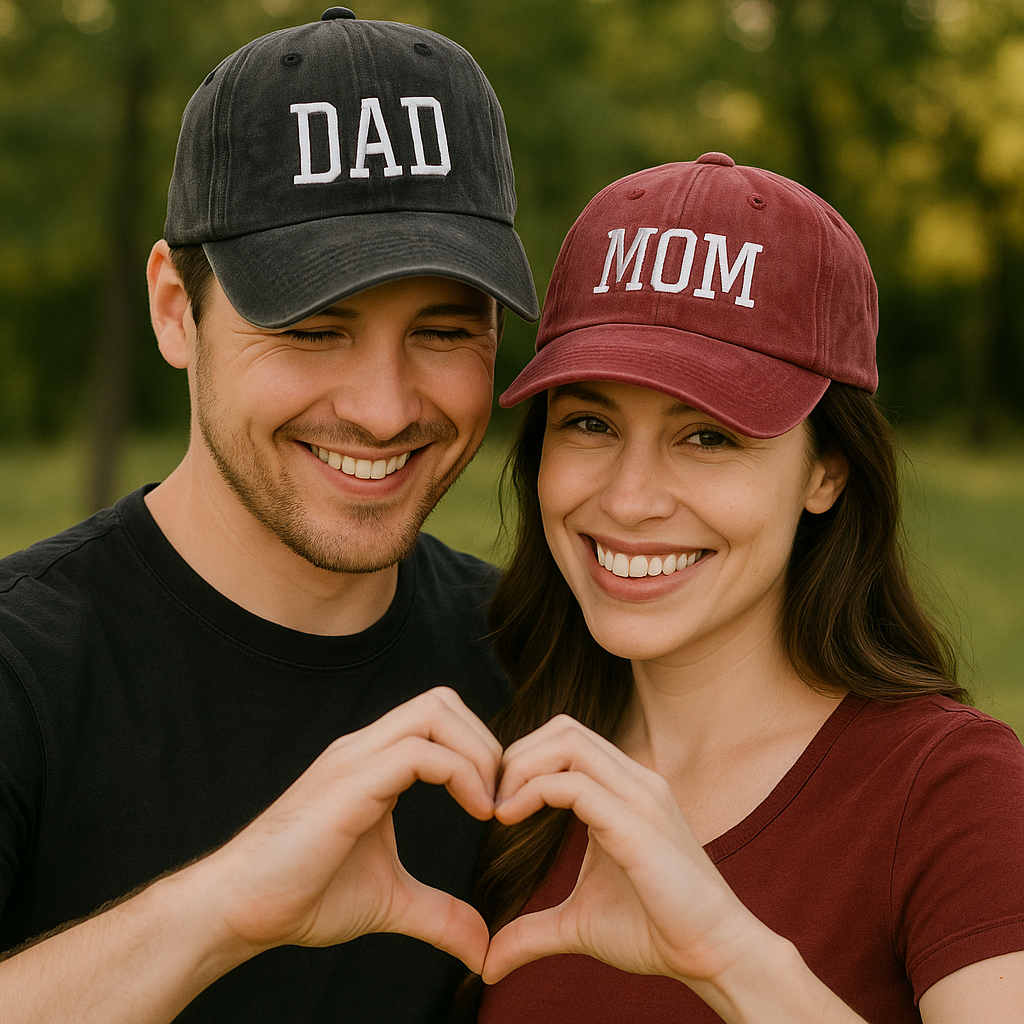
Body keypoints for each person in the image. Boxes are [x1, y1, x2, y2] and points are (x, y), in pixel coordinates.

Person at [0, 9, 539, 1024]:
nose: (383, 408)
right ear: (174, 307)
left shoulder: (539, 657)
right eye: (311, 328)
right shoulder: (21, 669)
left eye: (443, 329)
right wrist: (226, 906)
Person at [467, 154, 1024, 1022]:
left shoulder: (950, 792)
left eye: (709, 438)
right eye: (588, 422)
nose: (629, 498)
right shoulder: (504, 757)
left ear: (827, 472)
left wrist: (724, 951)